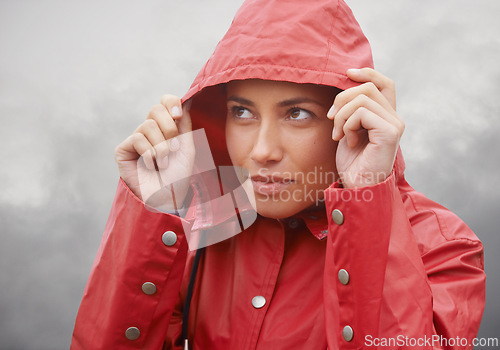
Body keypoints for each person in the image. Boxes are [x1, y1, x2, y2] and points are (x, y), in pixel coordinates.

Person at [71, 0, 486, 349]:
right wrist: (153, 210)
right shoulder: (203, 220)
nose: (262, 151)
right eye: (243, 112)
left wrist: (366, 200)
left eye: (297, 113)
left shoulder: (444, 247)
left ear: (352, 119)